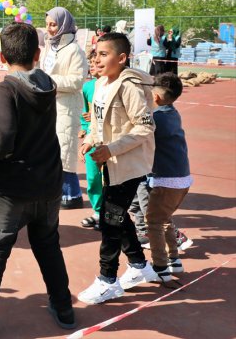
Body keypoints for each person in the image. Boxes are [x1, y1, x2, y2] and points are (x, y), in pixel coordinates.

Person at [0, 23, 74, 339]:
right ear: (37, 54)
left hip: (12, 191)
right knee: (48, 246)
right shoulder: (45, 83)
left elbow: (0, 139)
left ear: (2, 56)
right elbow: (17, 96)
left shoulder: (8, 89)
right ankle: (64, 308)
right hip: (47, 186)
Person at [77, 32, 158, 305]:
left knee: (110, 220)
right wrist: (90, 139)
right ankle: (139, 265)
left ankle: (107, 279)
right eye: (95, 53)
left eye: (103, 54)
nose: (96, 59)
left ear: (122, 58)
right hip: (109, 163)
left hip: (128, 165)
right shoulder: (100, 83)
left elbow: (145, 127)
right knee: (117, 215)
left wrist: (111, 149)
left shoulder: (129, 87)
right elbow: (99, 123)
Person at [142, 73, 193, 281]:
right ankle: (174, 260)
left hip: (166, 180)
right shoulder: (172, 113)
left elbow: (140, 133)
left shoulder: (157, 118)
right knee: (164, 218)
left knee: (153, 221)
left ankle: (160, 267)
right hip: (181, 178)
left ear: (155, 98)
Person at [39, 7, 88, 209]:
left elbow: (77, 80)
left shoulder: (74, 49)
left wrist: (48, 81)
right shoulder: (50, 47)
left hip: (66, 107)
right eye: (48, 24)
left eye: (54, 24)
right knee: (51, 150)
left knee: (64, 151)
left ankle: (72, 195)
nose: (50, 29)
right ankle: (61, 193)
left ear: (64, 25)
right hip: (49, 106)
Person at [79, 50, 102, 229]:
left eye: (97, 61)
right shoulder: (87, 87)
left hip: (110, 140)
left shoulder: (115, 85)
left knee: (109, 180)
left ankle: (109, 214)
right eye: (91, 62)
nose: (93, 65)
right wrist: (85, 129)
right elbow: (84, 113)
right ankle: (98, 211)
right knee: (93, 177)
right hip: (91, 139)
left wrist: (94, 117)